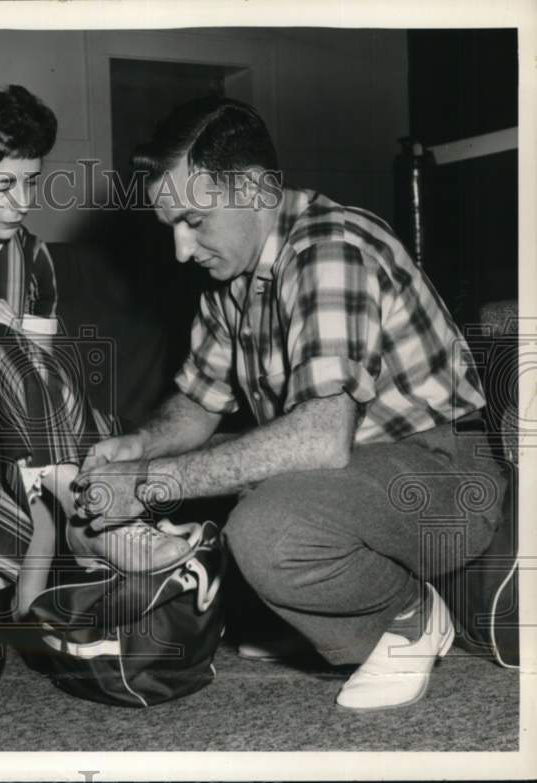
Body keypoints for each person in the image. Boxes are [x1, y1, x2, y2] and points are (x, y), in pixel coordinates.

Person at [75, 97, 506, 711]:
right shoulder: (234, 283)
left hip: (444, 477)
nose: (180, 248)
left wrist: (147, 483)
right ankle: (320, 608)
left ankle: (407, 614)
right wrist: (139, 447)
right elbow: (198, 406)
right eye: (170, 224)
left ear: (253, 189)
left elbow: (319, 438)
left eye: (194, 220)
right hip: (359, 475)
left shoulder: (327, 250)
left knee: (270, 528)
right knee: (233, 473)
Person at [0, 85, 194, 615]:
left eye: (31, 183)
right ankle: (81, 518)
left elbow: (39, 379)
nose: (22, 203)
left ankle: (61, 517)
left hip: (9, 433)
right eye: (3, 185)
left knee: (15, 349)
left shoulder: (34, 257)